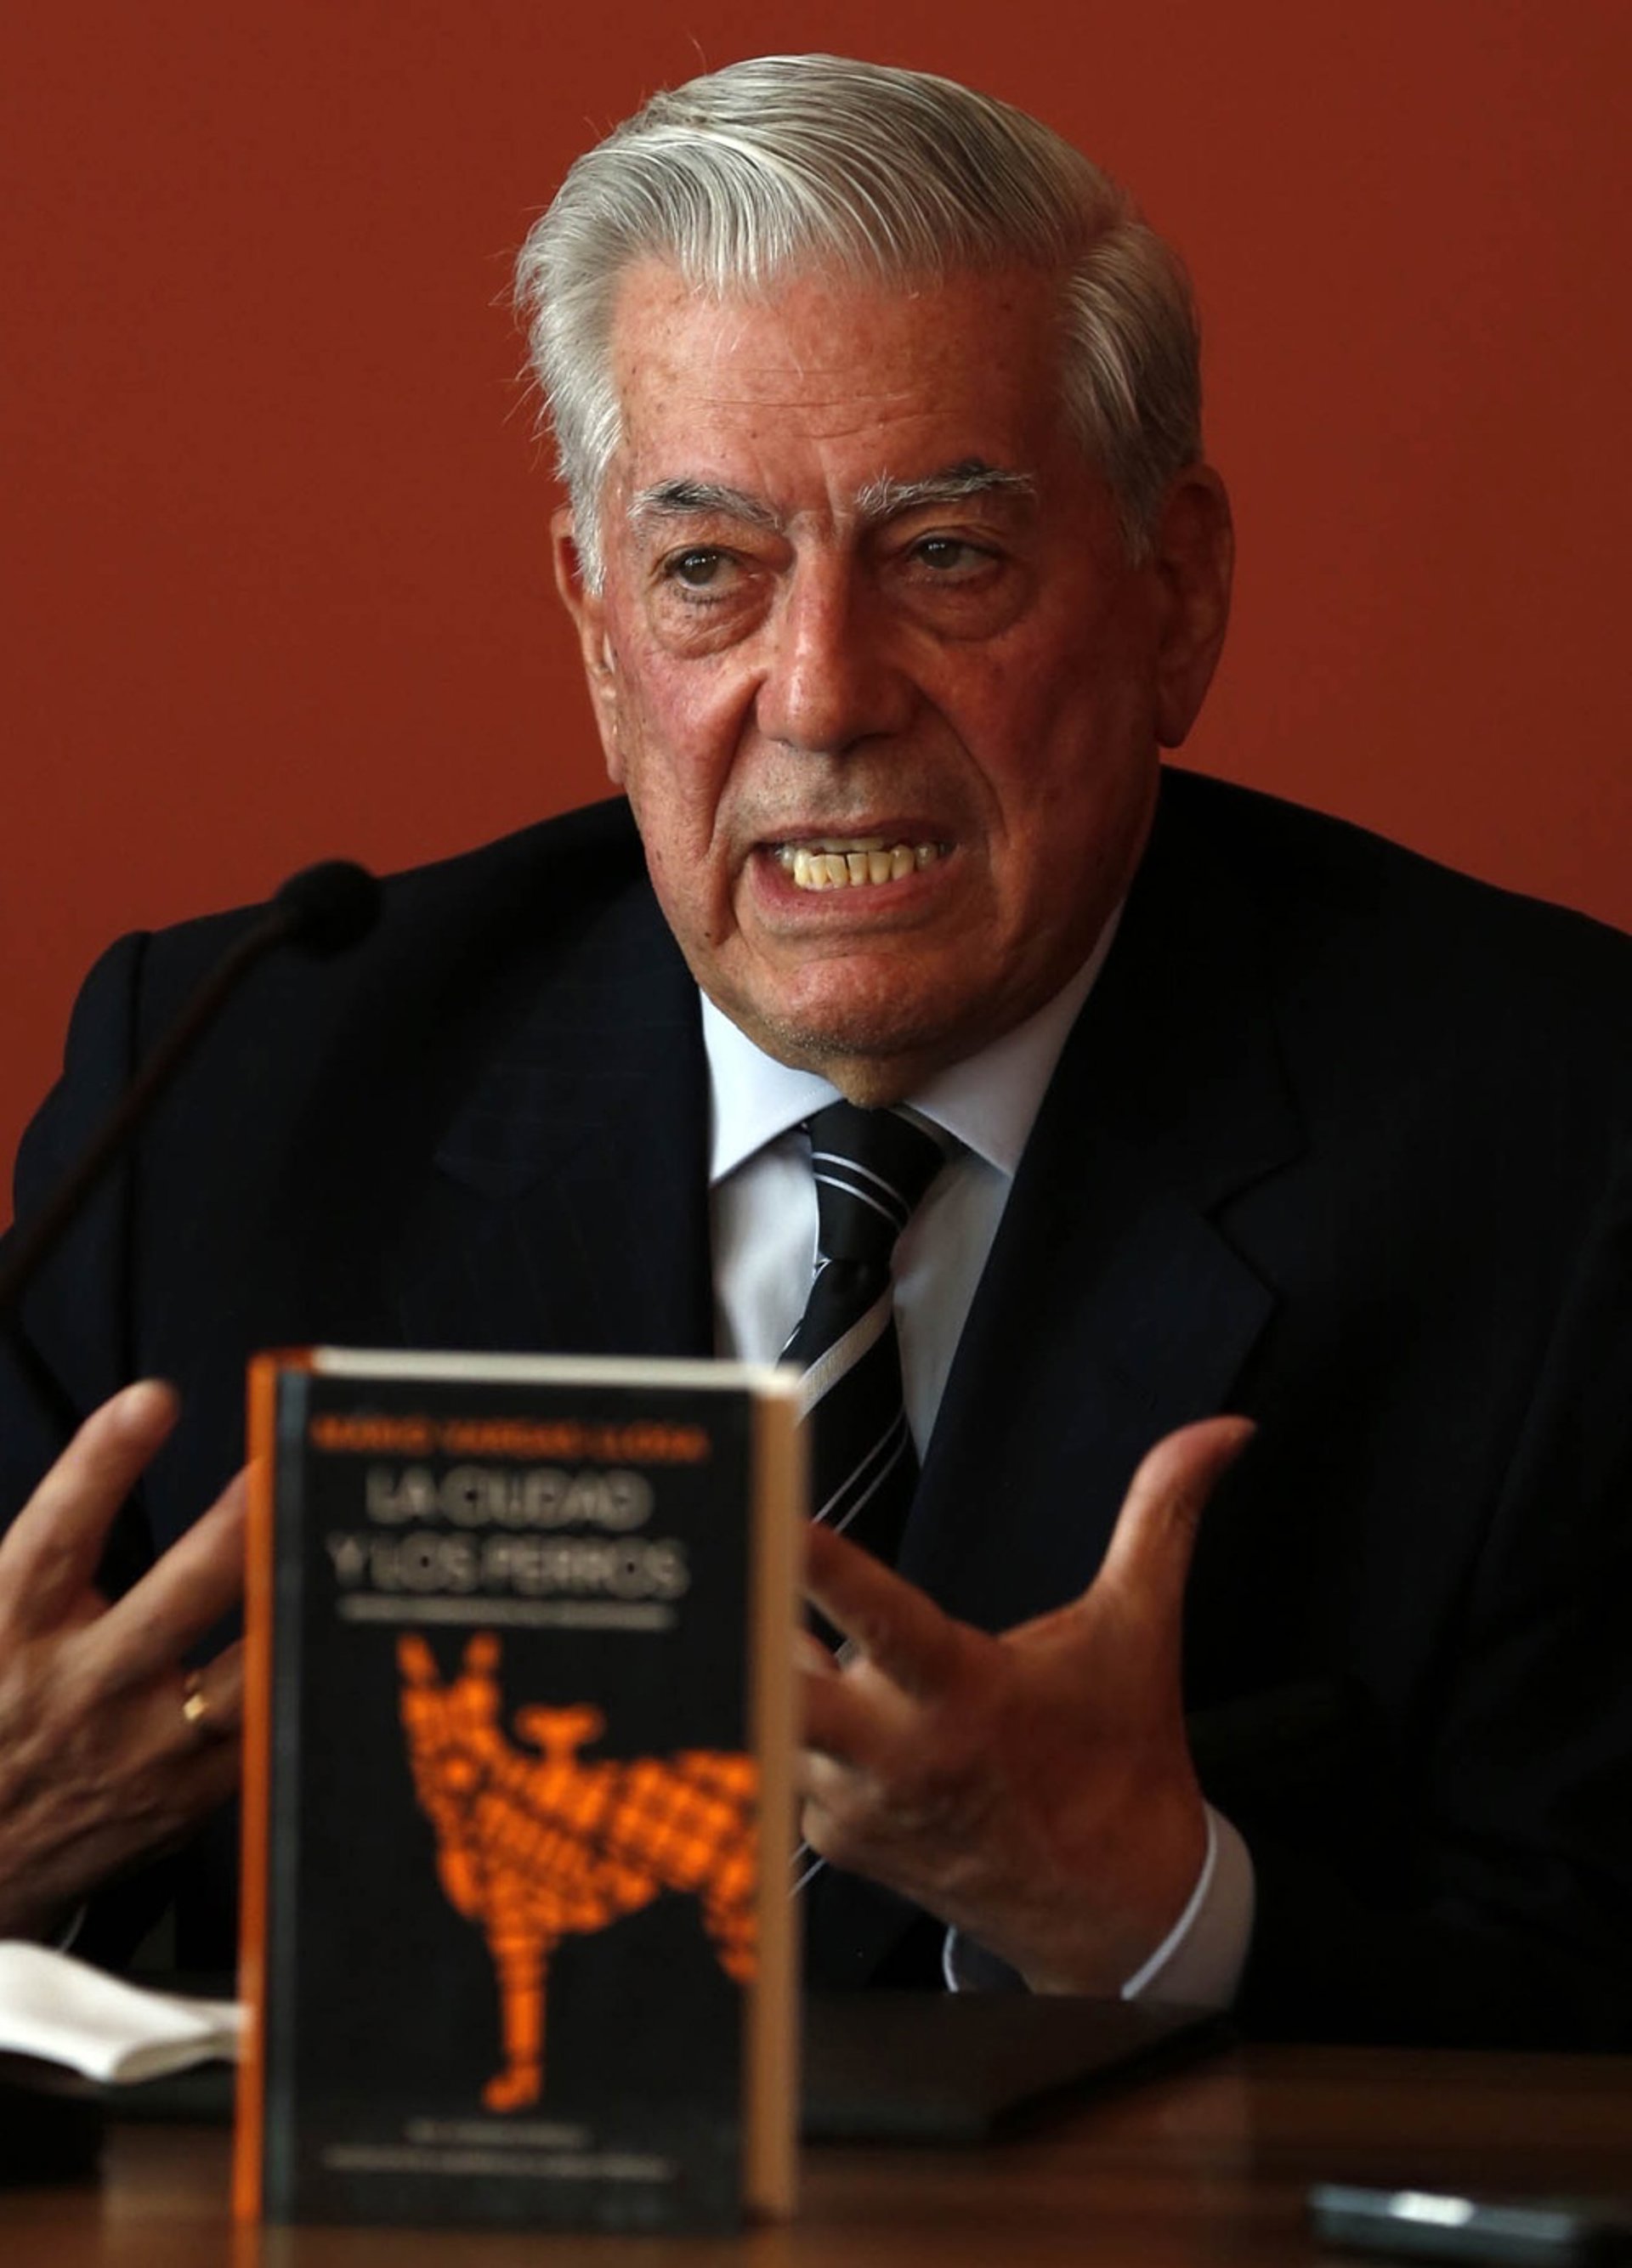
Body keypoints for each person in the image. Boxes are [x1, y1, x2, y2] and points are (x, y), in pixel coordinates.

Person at [1, 54, 1628, 2046]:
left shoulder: (1560, 1143)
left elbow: (1587, 2002)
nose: (825, 693)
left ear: (1177, 594)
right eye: (711, 570)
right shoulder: (232, 1103)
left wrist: (1162, 1916)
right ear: (597, 623)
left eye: (946, 557)